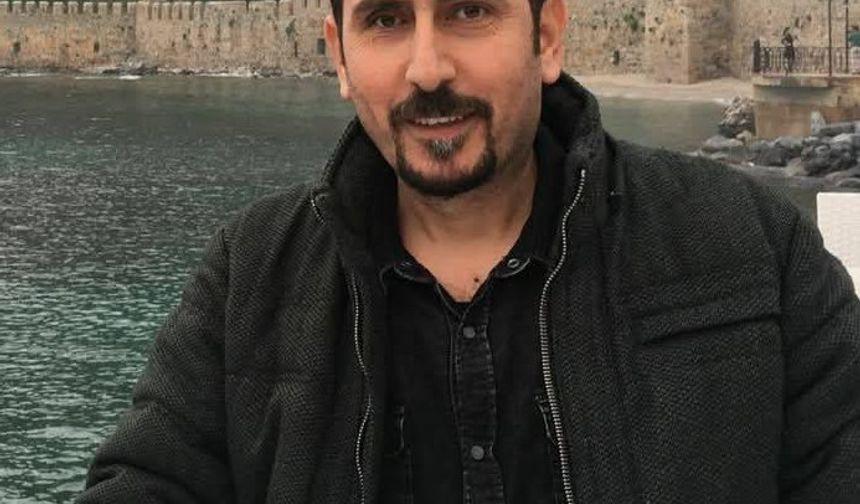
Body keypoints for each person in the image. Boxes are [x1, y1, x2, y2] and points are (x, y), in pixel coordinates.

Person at [77, 0, 860, 501]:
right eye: (386, 19)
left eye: (469, 11)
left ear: (546, 36)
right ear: (340, 58)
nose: (428, 69)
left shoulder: (751, 250)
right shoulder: (250, 277)